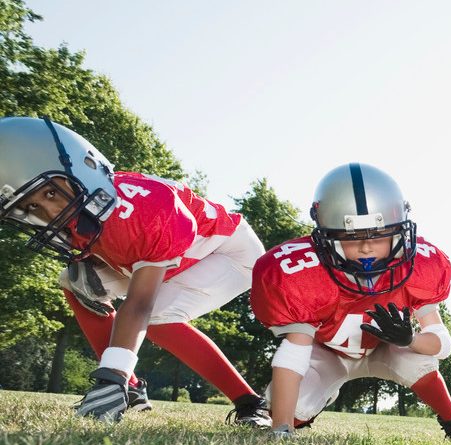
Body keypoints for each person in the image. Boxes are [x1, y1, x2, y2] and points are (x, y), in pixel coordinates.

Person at [0, 116, 270, 425]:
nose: (48, 213)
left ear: (78, 169)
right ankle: (127, 388)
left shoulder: (147, 211)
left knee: (156, 317)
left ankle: (249, 403)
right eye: (32, 207)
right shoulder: (86, 205)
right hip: (162, 253)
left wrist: (112, 371)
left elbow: (140, 303)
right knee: (78, 283)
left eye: (49, 194)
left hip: (225, 252)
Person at [251, 163, 451, 441]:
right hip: (327, 351)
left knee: (416, 359)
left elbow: (442, 344)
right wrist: (281, 427)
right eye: (352, 237)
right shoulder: (300, 273)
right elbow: (294, 354)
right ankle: (300, 411)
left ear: (400, 231)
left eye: (378, 235)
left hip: (387, 348)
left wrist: (408, 339)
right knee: (291, 405)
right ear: (327, 235)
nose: (366, 247)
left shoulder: (422, 265)